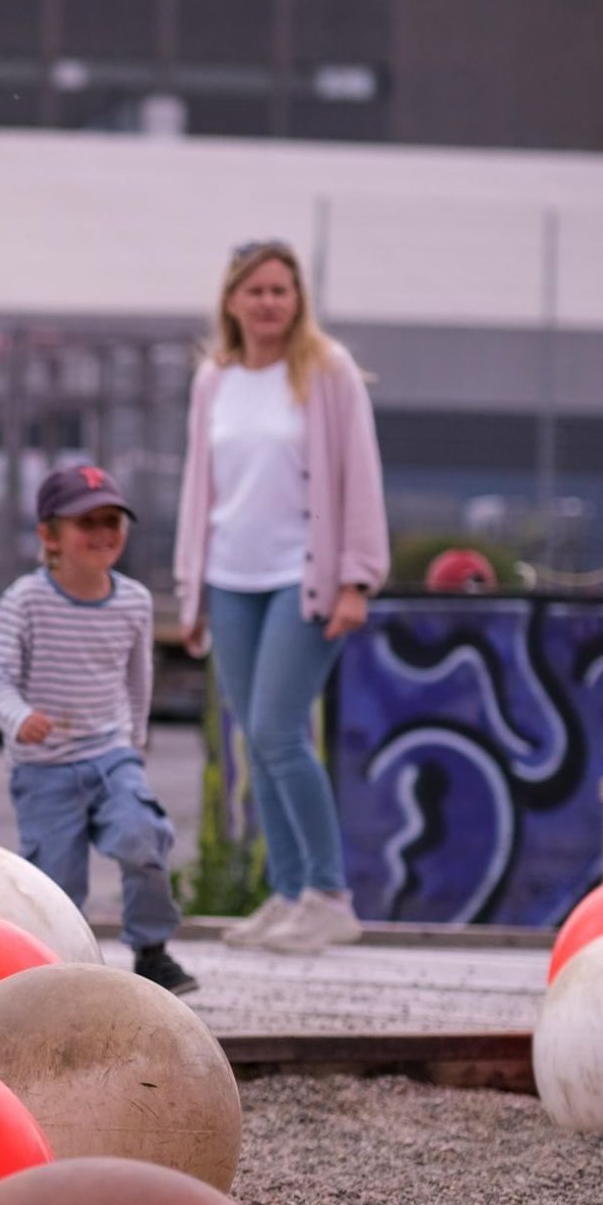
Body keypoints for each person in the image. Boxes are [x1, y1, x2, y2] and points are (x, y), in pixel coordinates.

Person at [175, 239, 389, 955]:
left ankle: (330, 894)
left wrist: (355, 578)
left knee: (277, 730)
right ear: (232, 299)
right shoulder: (214, 377)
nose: (269, 302)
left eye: (281, 290)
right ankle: (291, 891)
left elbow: (359, 474)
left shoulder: (327, 373)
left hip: (304, 580)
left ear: (298, 300)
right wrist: (192, 587)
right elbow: (199, 487)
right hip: (231, 577)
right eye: (255, 290)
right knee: (254, 740)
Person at [0, 465, 197, 995]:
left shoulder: (134, 602)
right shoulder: (25, 600)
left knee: (143, 837)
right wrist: (18, 717)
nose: (103, 534)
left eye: (113, 521)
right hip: (44, 767)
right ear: (50, 536)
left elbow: (138, 677)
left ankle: (152, 949)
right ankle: (58, 972)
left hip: (111, 754)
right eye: (87, 522)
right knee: (56, 883)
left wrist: (134, 743)